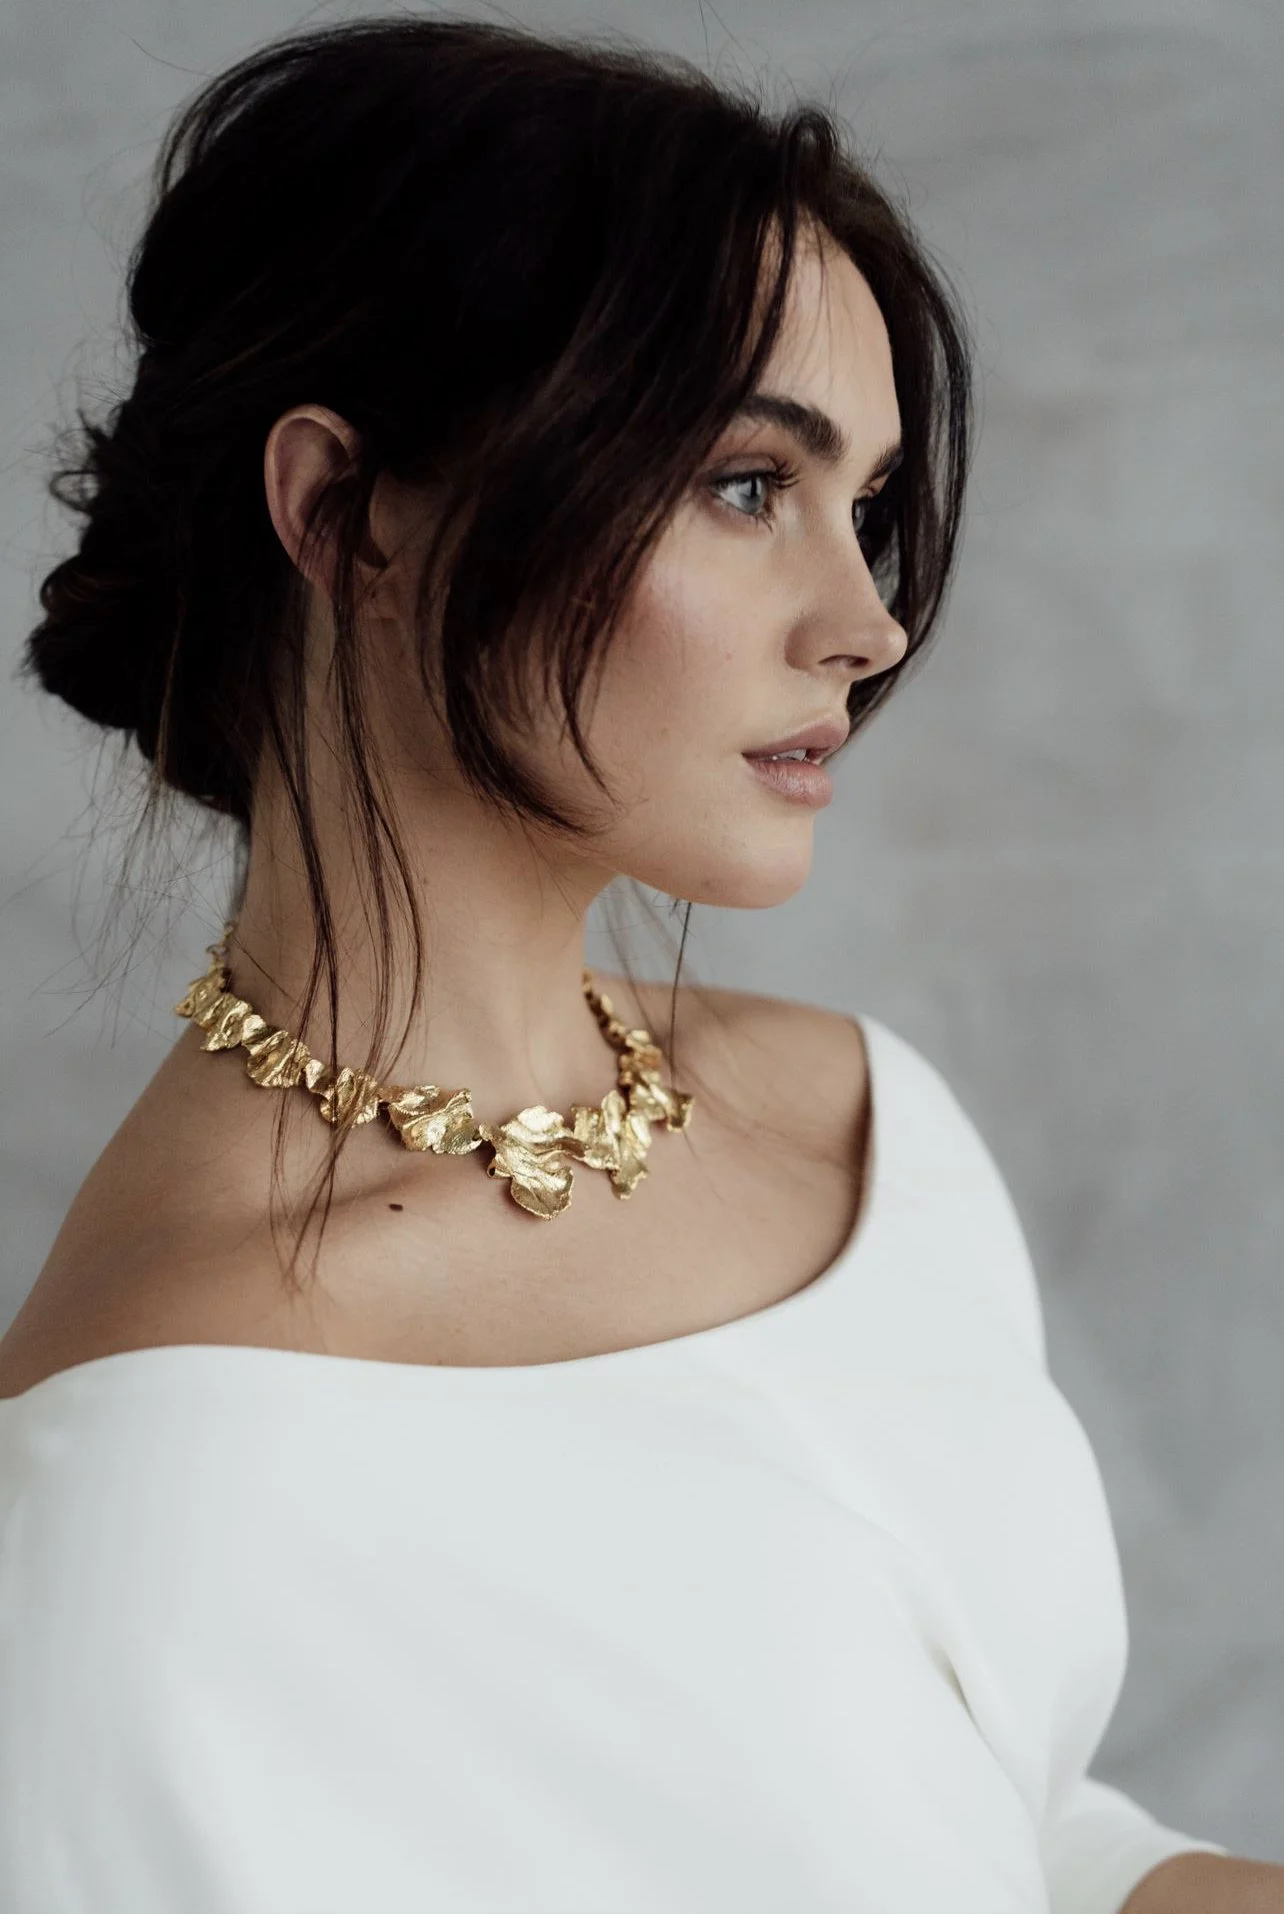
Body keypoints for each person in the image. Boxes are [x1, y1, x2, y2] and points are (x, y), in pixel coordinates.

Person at [0, 16, 1274, 1913]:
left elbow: (992, 1822)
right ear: (347, 514)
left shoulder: (867, 1123)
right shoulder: (156, 1494)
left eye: (866, 505)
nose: (868, 617)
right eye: (750, 485)